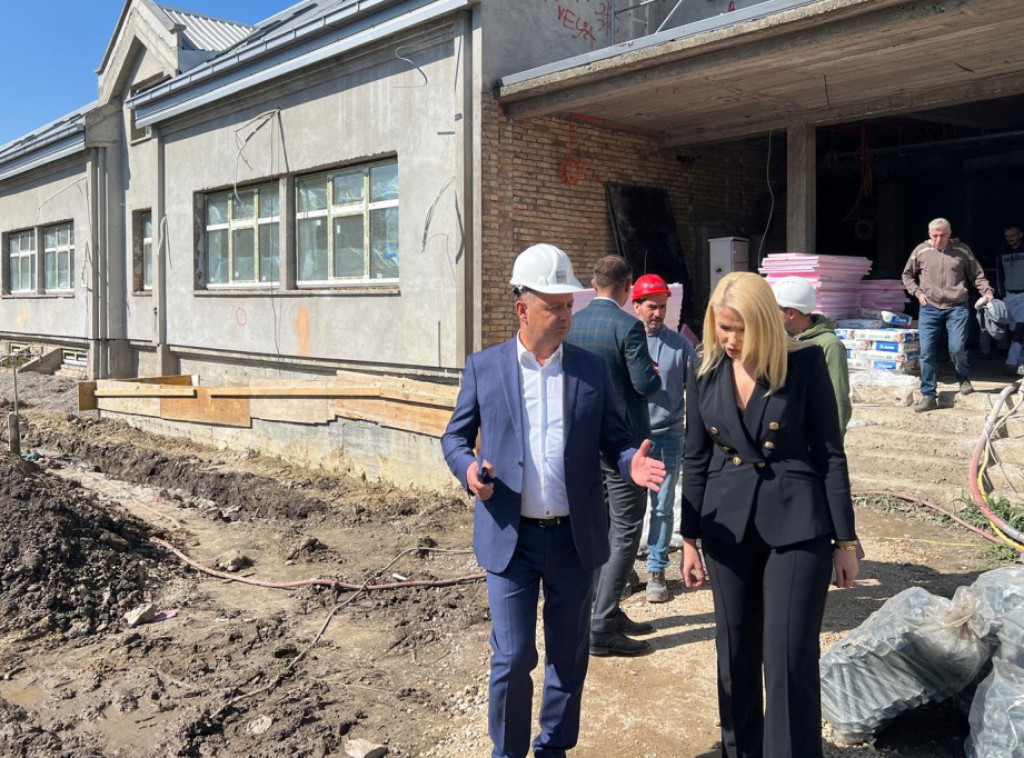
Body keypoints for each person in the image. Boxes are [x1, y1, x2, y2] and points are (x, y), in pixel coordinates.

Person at [441, 243, 666, 758]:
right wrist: (469, 471)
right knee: (513, 657)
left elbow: (615, 438)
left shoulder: (589, 369)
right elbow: (454, 438)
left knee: (568, 656)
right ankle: (508, 752)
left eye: (568, 305)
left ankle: (553, 748)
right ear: (523, 308)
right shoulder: (485, 367)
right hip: (511, 539)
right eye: (553, 306)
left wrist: (629, 461)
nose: (565, 315)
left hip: (573, 539)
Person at [679, 271, 859, 758]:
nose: (731, 340)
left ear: (764, 323)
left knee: (788, 657)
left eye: (742, 329)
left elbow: (830, 453)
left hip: (797, 523)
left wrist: (845, 540)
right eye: (723, 328)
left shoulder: (805, 362)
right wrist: (689, 538)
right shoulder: (702, 370)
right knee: (734, 652)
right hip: (726, 526)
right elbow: (695, 456)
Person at [568, 255, 661, 656]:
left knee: (600, 528)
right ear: (627, 288)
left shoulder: (573, 324)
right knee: (625, 530)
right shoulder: (628, 326)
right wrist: (653, 372)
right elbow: (643, 384)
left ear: (593, 284)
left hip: (586, 441)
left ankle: (605, 610)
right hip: (625, 445)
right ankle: (602, 626)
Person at [631, 273, 698, 602]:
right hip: (632, 439)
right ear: (636, 306)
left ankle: (656, 570)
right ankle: (623, 567)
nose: (657, 313)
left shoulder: (680, 345)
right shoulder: (627, 342)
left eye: (662, 307)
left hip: (668, 436)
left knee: (662, 506)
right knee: (628, 506)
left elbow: (697, 392)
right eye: (651, 307)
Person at [901, 218, 994, 412]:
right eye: (934, 235)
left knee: (957, 348)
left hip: (957, 307)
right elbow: (907, 275)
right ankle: (928, 395)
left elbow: (977, 274)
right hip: (929, 307)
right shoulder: (921, 250)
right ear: (929, 234)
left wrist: (986, 291)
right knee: (926, 352)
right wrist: (918, 293)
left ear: (950, 233)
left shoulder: (962, 250)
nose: (938, 239)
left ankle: (963, 377)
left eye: (942, 235)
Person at [772, 276, 852, 436]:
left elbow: (837, 398)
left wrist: (832, 442)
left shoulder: (829, 345)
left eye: (775, 309)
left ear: (791, 313)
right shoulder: (781, 340)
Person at [996, 223, 1024, 375]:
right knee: (1015, 331)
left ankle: (1011, 362)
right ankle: (1021, 362)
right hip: (1009, 296)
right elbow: (999, 274)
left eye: (1013, 235)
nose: (1010, 238)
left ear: (1020, 234)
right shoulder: (1002, 252)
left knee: (1020, 328)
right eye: (1007, 236)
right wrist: (1003, 294)